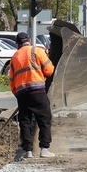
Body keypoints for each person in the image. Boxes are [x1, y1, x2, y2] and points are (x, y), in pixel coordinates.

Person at [9, 32, 55, 160]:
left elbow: (12, 81)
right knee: (44, 119)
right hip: (37, 91)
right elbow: (49, 70)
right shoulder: (37, 51)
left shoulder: (14, 57)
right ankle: (44, 149)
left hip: (22, 93)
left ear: (17, 44)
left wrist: (18, 93)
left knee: (25, 121)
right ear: (29, 40)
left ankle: (27, 151)